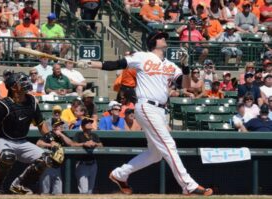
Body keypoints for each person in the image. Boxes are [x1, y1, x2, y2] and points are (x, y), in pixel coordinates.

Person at [76, 31, 213, 196]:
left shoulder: (170, 65)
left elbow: (187, 85)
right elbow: (115, 64)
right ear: (154, 41)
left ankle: (120, 174)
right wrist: (90, 63)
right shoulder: (142, 56)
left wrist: (185, 69)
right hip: (147, 106)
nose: (165, 38)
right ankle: (188, 185)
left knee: (155, 154)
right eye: (162, 37)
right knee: (169, 144)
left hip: (161, 110)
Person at [0, 72, 61, 194]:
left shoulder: (32, 101)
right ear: (13, 87)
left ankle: (20, 184)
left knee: (47, 159)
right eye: (22, 81)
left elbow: (41, 124)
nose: (26, 82)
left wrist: (52, 141)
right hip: (2, 139)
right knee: (8, 156)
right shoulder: (3, 105)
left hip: (22, 141)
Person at [37, 118, 75, 195]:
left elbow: (71, 144)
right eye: (58, 125)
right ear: (54, 126)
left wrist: (61, 134)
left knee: (58, 193)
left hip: (57, 167)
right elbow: (38, 143)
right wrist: (50, 144)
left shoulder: (63, 135)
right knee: (45, 192)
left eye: (60, 124)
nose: (60, 126)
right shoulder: (49, 134)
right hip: (47, 166)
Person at [74, 117, 103, 194]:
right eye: (88, 123)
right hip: (82, 164)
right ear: (83, 126)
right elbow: (73, 144)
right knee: (84, 191)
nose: (90, 124)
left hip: (93, 164)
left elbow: (101, 145)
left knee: (90, 191)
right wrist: (84, 144)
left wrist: (95, 143)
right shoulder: (79, 134)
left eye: (91, 122)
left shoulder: (94, 135)